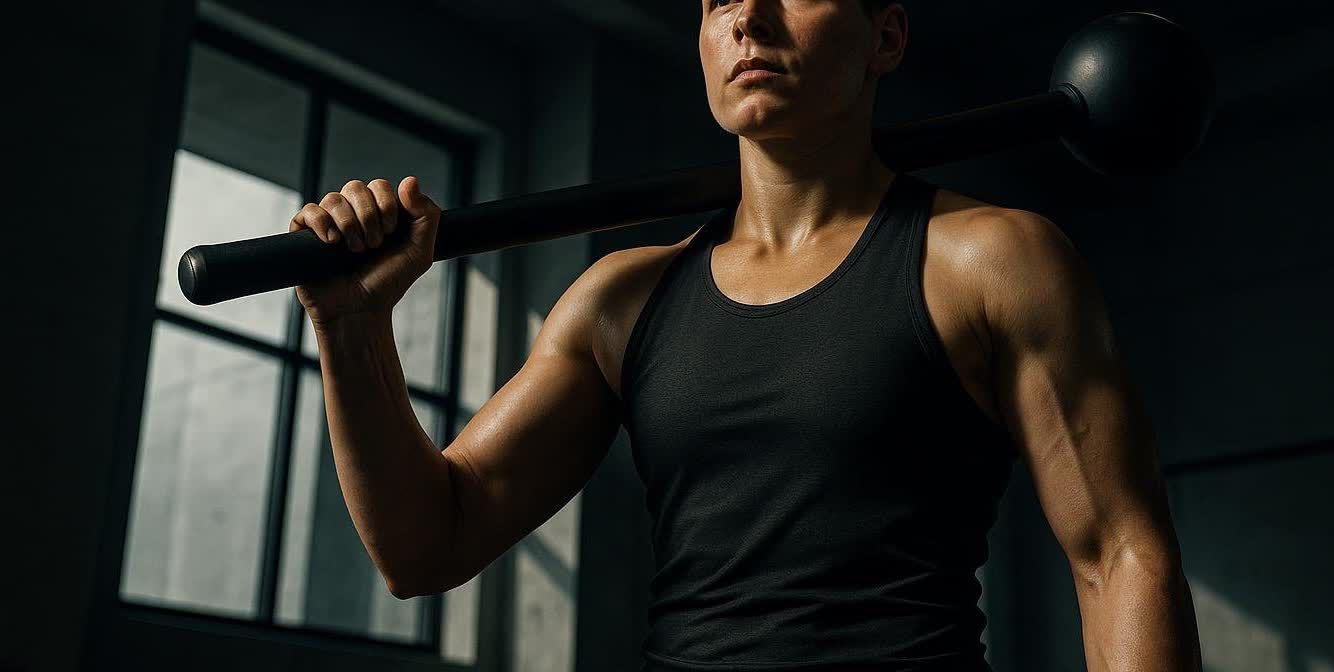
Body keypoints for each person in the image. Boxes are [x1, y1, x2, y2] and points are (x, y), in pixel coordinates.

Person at [287, 1, 1203, 670]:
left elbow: (1121, 555)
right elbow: (425, 544)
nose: (749, 20)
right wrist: (352, 327)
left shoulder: (990, 261)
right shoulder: (621, 299)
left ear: (885, 36)